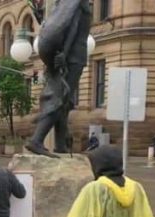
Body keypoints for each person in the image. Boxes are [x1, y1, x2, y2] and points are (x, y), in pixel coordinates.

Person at [25, 0, 91, 157]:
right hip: (73, 57)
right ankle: (37, 140)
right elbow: (71, 27)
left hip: (72, 55)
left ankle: (60, 144)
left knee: (64, 100)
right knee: (59, 98)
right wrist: (65, 54)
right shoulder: (78, 3)